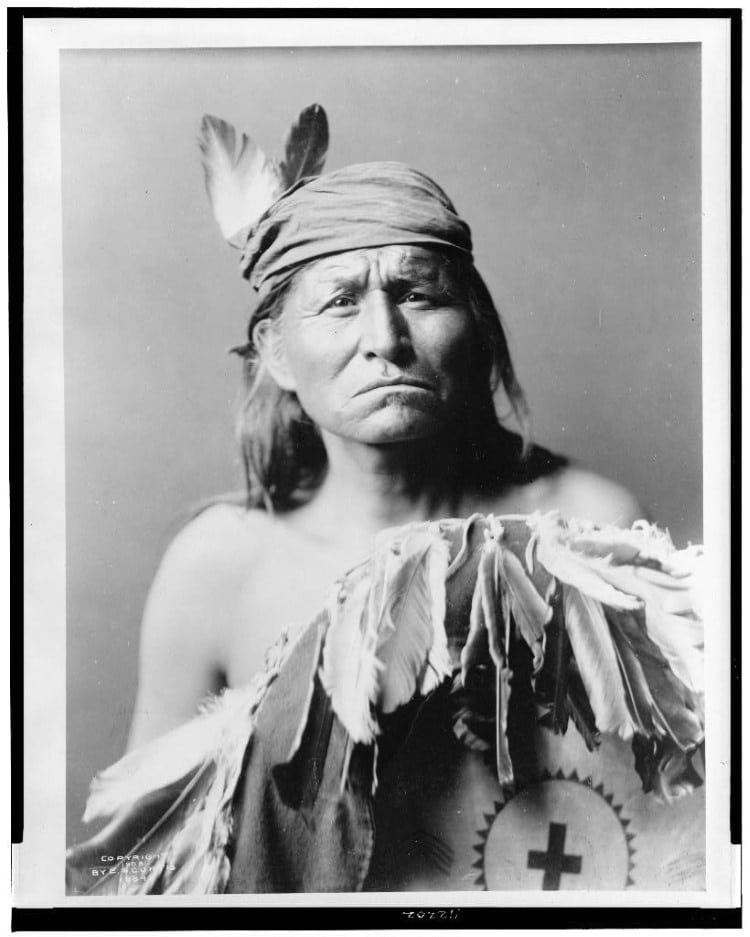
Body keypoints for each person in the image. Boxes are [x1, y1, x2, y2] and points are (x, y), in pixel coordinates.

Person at [69, 106, 704, 895]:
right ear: (276, 353)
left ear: (474, 326)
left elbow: (694, 818)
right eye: (339, 302)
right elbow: (131, 865)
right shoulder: (218, 566)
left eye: (419, 294)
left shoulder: (583, 523)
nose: (385, 336)